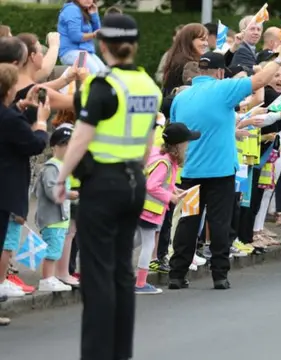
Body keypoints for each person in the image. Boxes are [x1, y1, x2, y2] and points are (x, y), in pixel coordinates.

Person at [52, 14, 162, 360]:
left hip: (102, 185)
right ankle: (120, 353)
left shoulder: (102, 87)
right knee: (121, 271)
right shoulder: (148, 86)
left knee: (97, 276)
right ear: (135, 46)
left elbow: (80, 139)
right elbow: (147, 147)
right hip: (134, 183)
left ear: (103, 45)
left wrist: (60, 178)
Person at [168, 45, 281, 290]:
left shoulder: (181, 98)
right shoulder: (223, 89)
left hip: (190, 170)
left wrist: (230, 130)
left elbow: (180, 129)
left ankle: (176, 274)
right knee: (219, 222)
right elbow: (260, 80)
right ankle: (219, 275)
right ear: (219, 73)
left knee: (188, 221)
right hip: (220, 171)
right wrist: (280, 58)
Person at [0, 62, 50, 326]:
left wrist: (19, 107)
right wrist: (41, 122)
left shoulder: (7, 114)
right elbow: (35, 144)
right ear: (9, 89)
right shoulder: (9, 119)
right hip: (6, 189)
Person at [134, 123, 199, 295]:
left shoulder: (159, 155)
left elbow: (161, 182)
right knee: (148, 244)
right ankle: (140, 283)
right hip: (149, 210)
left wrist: (174, 190)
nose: (188, 145)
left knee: (134, 242)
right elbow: (152, 185)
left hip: (141, 207)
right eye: (186, 142)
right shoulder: (165, 162)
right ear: (179, 145)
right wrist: (171, 197)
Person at [35, 126, 78, 292]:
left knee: (56, 247)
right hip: (52, 218)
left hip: (60, 217)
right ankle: (47, 279)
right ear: (54, 147)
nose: (68, 148)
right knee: (52, 249)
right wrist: (68, 194)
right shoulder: (52, 167)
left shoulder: (62, 167)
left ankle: (50, 278)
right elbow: (52, 192)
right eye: (64, 144)